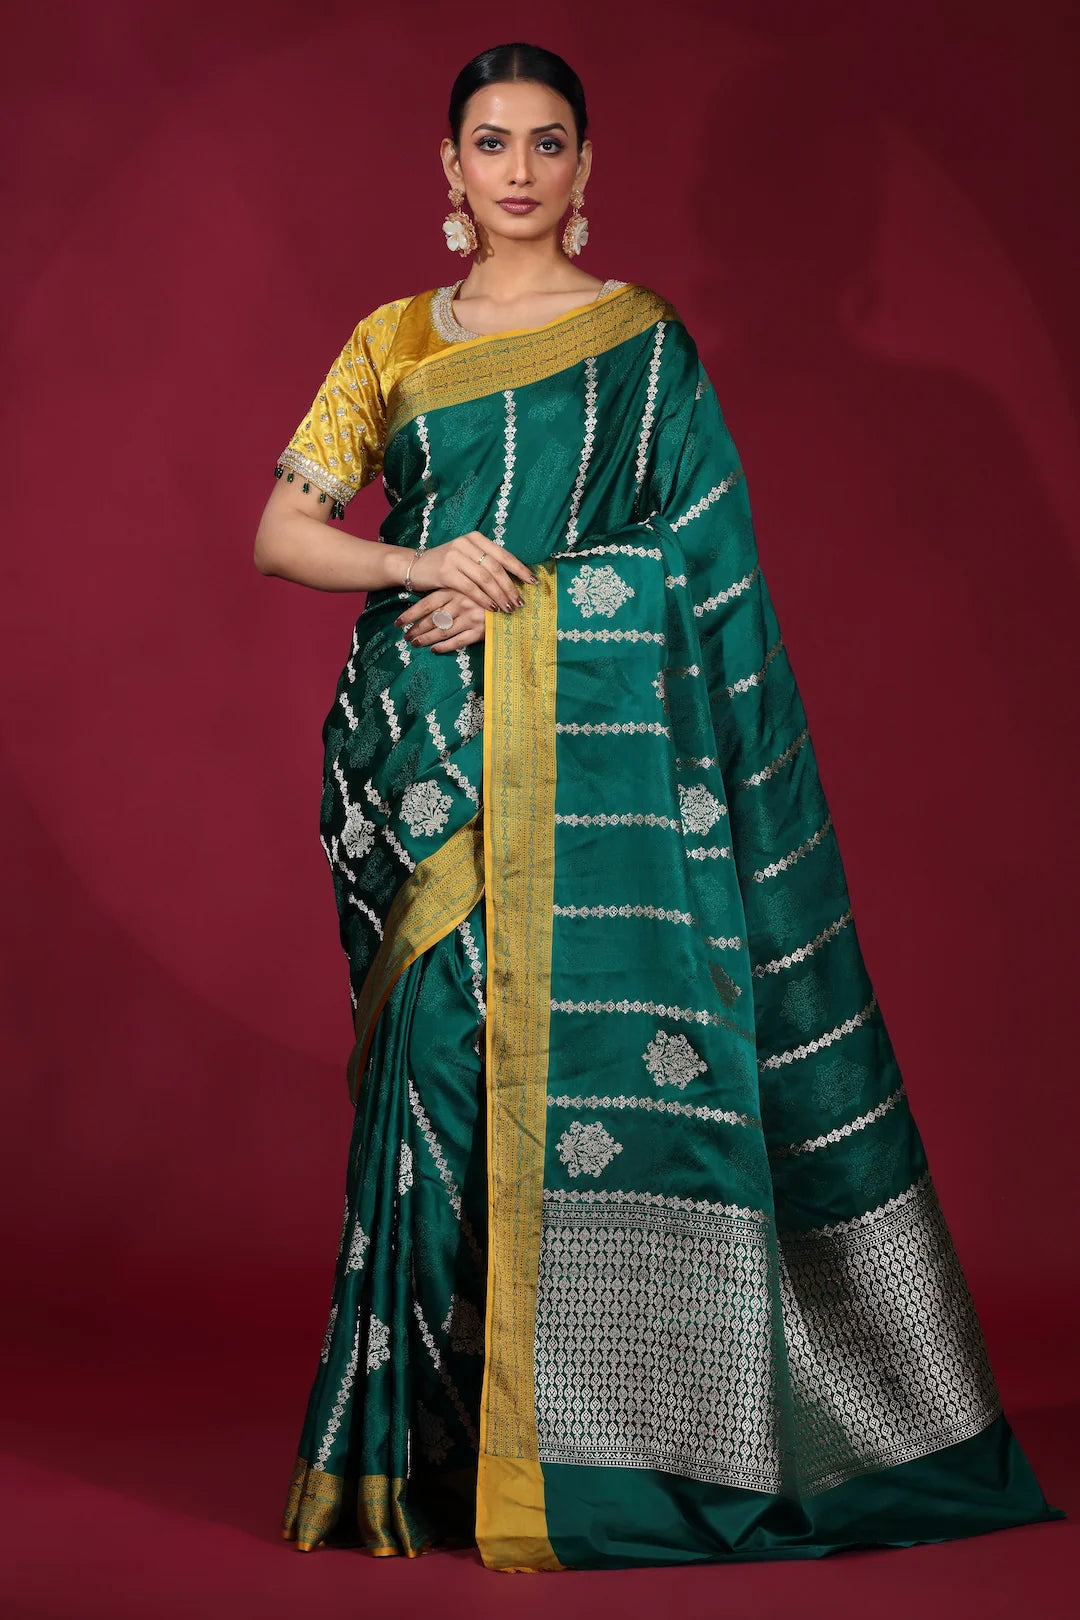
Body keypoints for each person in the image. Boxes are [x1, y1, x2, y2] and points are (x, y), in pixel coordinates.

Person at [253, 41, 1064, 1574]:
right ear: (445, 171)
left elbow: (702, 580)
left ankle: (585, 1448)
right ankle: (417, 1469)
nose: (514, 169)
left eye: (546, 142)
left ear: (584, 169)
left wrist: (540, 598)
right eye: (487, 142)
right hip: (422, 773)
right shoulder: (389, 344)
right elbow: (285, 534)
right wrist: (422, 566)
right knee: (436, 1085)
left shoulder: (644, 349)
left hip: (594, 788)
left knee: (558, 1078)